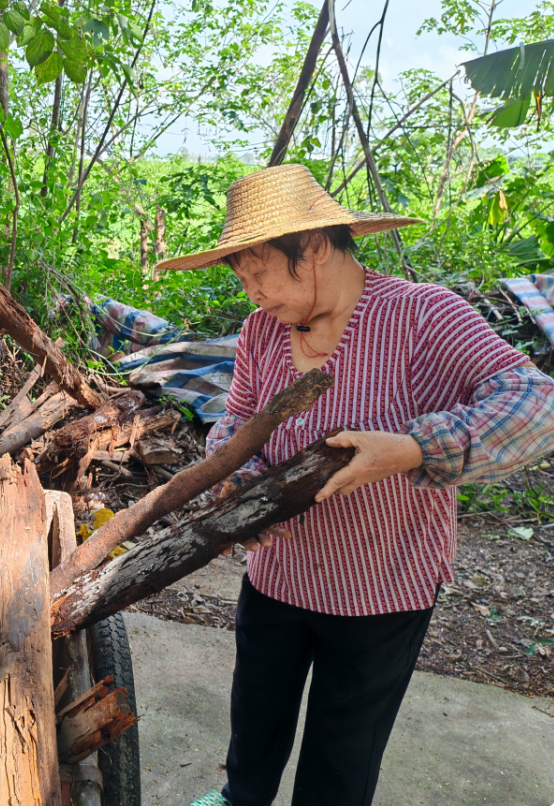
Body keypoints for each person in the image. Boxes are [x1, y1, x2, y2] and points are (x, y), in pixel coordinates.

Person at [157, 165, 554, 806]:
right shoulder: (263, 332)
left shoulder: (423, 317)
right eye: (241, 277)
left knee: (343, 754)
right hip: (279, 573)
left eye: (261, 271)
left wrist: (412, 448)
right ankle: (239, 798)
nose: (253, 293)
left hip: (381, 586)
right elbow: (237, 421)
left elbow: (537, 402)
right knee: (255, 719)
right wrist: (244, 485)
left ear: (314, 246)